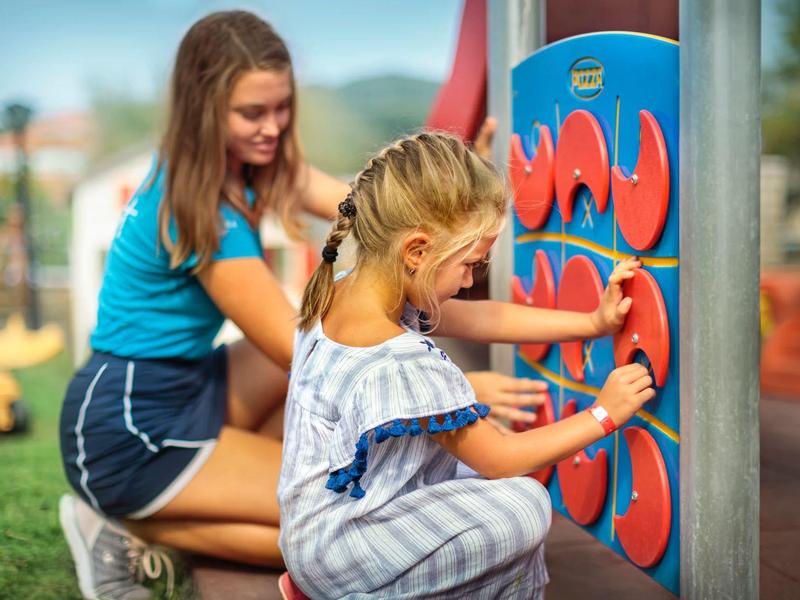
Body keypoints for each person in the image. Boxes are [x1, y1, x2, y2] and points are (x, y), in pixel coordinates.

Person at [57, 10, 545, 599]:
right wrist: (443, 400)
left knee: (338, 354)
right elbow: (301, 349)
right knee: (332, 532)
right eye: (251, 112)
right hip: (129, 420)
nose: (270, 126)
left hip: (198, 386)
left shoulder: (258, 170)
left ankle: (157, 512)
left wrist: (454, 197)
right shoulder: (199, 206)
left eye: (280, 107)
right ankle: (120, 525)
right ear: (203, 109)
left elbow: (383, 214)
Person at [278, 132, 653, 599]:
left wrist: (594, 322)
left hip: (312, 533)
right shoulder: (402, 360)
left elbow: (485, 316)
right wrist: (605, 414)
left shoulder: (342, 288)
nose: (473, 279)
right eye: (471, 264)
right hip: (345, 551)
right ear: (416, 251)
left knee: (471, 482)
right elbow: (501, 459)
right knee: (524, 506)